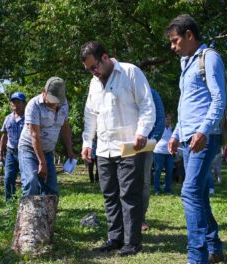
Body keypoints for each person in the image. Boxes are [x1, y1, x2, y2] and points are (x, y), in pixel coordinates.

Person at [80, 41, 156, 256]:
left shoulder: (131, 72)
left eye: (94, 67)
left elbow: (147, 105)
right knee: (110, 195)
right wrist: (87, 143)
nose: (93, 73)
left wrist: (142, 131)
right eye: (88, 70)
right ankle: (115, 238)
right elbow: (90, 116)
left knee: (129, 195)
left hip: (130, 146)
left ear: (105, 57)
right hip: (104, 149)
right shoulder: (94, 84)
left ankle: (132, 243)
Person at [166, 14, 226, 264]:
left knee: (189, 193)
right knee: (198, 194)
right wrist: (177, 134)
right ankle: (215, 247)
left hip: (204, 137)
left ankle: (196, 258)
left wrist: (202, 131)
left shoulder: (209, 58)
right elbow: (187, 105)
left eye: (175, 40)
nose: (172, 46)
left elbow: (219, 99)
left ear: (189, 35)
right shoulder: (186, 63)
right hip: (189, 138)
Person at [18, 77, 75, 196]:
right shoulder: (33, 106)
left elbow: (65, 126)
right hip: (28, 149)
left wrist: (70, 150)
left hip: (48, 151)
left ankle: (47, 214)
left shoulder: (64, 104)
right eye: (52, 99)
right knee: (31, 181)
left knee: (52, 188)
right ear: (44, 92)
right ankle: (27, 214)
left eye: (57, 100)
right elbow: (34, 135)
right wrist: (42, 163)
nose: (54, 104)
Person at [141, 88, 165, 232]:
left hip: (145, 145)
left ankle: (140, 218)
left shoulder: (152, 93)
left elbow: (160, 119)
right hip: (122, 144)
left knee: (143, 182)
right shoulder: (120, 88)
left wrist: (151, 141)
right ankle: (122, 218)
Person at [0, 92, 26, 202]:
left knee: (27, 179)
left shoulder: (29, 118)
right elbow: (4, 137)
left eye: (18, 102)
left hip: (25, 152)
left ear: (25, 104)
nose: (16, 104)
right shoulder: (8, 118)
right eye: (13, 102)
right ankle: (10, 204)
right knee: (8, 178)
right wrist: (0, 154)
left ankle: (26, 202)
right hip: (10, 153)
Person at [153, 113, 174, 196]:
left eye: (170, 119)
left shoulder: (171, 128)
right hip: (158, 151)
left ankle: (168, 189)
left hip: (169, 153)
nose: (168, 120)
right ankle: (157, 190)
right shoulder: (159, 127)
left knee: (169, 171)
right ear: (164, 119)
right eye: (167, 119)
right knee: (158, 171)